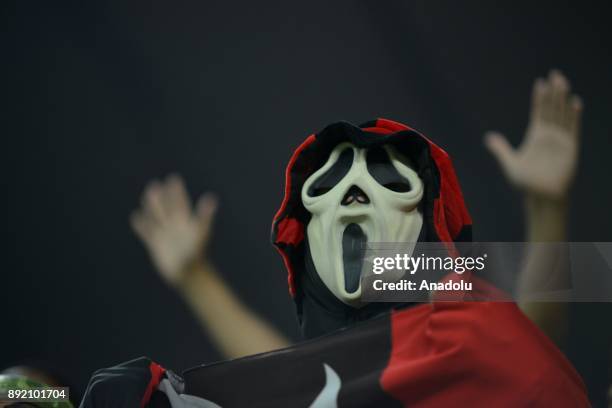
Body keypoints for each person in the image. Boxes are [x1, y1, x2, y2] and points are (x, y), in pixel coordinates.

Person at [81, 70, 588, 407]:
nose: (352, 197)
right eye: (326, 185)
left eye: (391, 181)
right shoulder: (335, 380)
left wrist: (548, 209)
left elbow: (516, 337)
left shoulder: (463, 311)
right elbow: (293, 381)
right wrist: (196, 279)